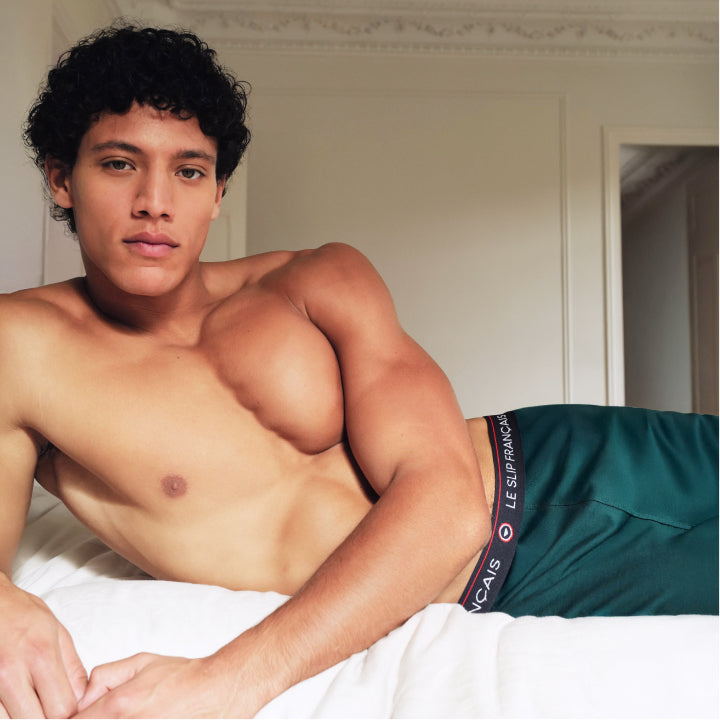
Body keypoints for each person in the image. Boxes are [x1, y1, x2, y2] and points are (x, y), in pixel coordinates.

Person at [0, 23, 716, 719]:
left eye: (189, 171)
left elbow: (447, 501)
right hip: (519, 573)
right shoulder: (22, 347)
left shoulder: (315, 278)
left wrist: (229, 682)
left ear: (217, 192)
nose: (155, 203)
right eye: (119, 164)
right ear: (61, 178)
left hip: (555, 467)